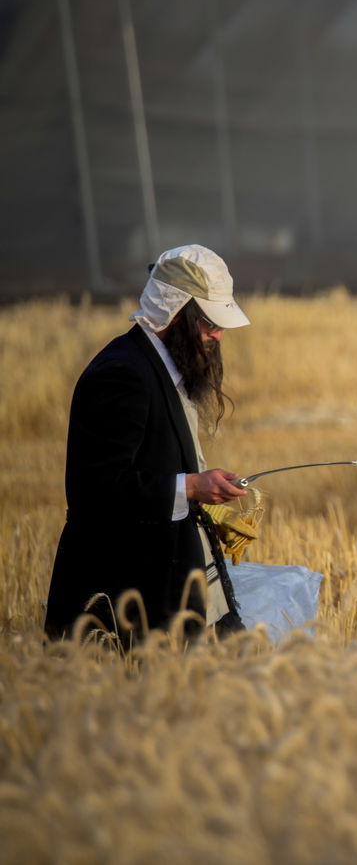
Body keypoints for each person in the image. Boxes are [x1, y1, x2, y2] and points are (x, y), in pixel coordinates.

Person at [45, 245, 251, 643]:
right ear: (174, 312)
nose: (217, 334)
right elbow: (97, 490)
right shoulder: (122, 374)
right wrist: (191, 487)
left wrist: (201, 494)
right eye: (208, 322)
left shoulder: (166, 368)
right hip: (125, 602)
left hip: (167, 590)